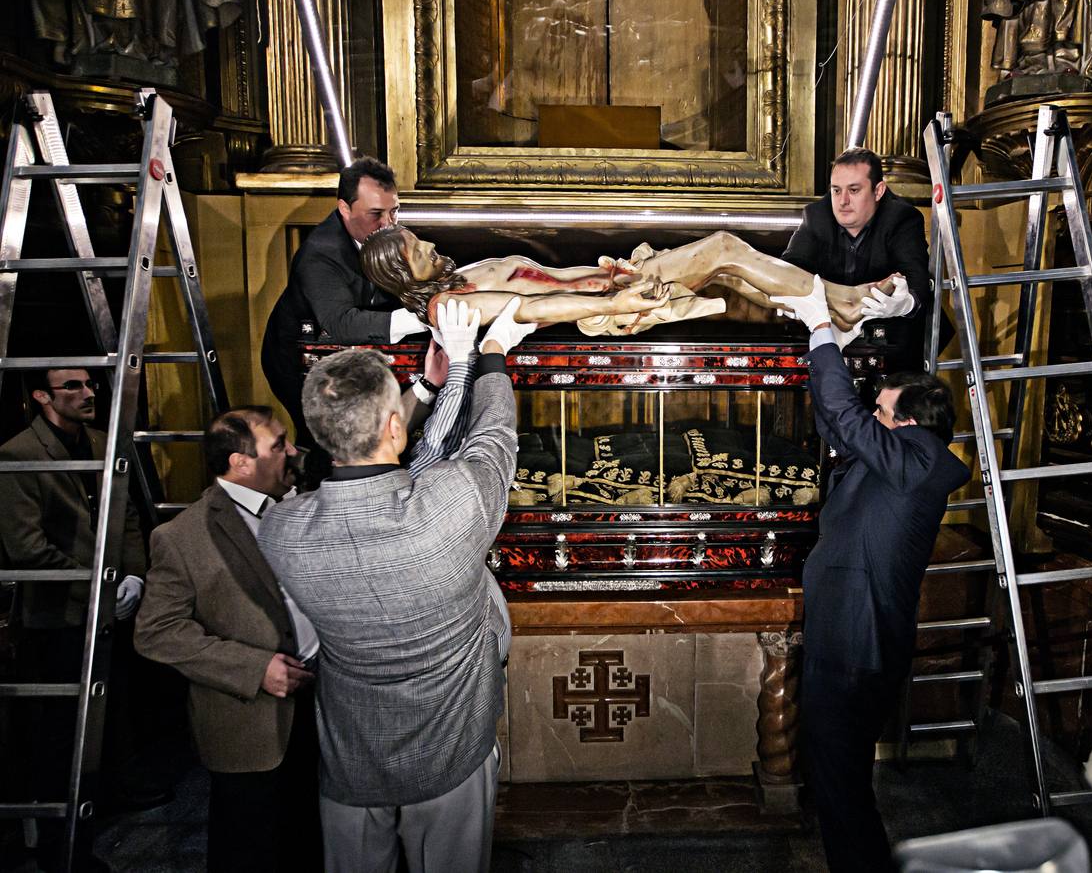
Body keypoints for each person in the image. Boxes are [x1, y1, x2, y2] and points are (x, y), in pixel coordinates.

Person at [256, 298, 534, 873]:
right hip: (451, 751)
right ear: (392, 425)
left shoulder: (281, 531)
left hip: (352, 758)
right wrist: (488, 356)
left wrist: (434, 384)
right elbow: (493, 437)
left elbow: (393, 465)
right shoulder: (451, 503)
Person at [771, 278, 971, 872]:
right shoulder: (898, 458)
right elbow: (839, 424)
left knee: (842, 786)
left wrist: (821, 332)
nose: (872, 416)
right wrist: (829, 348)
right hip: (847, 640)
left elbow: (847, 417)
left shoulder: (920, 462)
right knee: (836, 778)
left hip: (858, 648)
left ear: (908, 425)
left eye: (882, 411)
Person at [133, 405, 323, 873]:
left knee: (311, 843)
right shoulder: (181, 537)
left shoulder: (303, 503)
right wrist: (255, 668)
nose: (293, 451)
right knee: (250, 850)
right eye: (278, 445)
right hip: (249, 727)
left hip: (322, 709)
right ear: (240, 463)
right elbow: (157, 632)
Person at [0, 368, 156, 869]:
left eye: (90, 384)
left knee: (114, 712)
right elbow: (27, 550)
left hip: (109, 604)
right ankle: (57, 848)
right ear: (42, 396)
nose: (88, 393)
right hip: (59, 615)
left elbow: (127, 515)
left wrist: (133, 574)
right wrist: (102, 587)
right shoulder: (19, 454)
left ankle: (110, 798)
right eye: (73, 386)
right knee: (56, 739)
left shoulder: (100, 442)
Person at [358, 224, 904, 337]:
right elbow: (535, 310)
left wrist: (605, 270)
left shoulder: (457, 276)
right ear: (402, 274)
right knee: (721, 249)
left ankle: (841, 306)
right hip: (599, 312)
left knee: (724, 263)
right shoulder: (449, 307)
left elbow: (547, 277)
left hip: (603, 290)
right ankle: (844, 303)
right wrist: (618, 299)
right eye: (416, 250)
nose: (428, 245)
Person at [261, 157, 427, 449]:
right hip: (296, 361)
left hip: (350, 357)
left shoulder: (382, 232)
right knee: (328, 445)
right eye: (376, 213)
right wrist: (424, 318)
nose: (388, 223)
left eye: (394, 211)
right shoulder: (319, 254)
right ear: (344, 208)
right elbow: (342, 322)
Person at [782, 147, 934, 370]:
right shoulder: (816, 216)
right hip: (833, 343)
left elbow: (917, 279)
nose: (842, 201)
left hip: (895, 349)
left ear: (878, 190)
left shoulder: (902, 217)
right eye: (836, 190)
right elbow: (793, 266)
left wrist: (906, 303)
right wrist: (788, 292)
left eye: (853, 190)